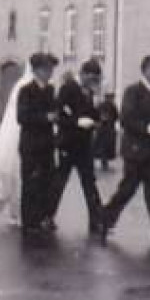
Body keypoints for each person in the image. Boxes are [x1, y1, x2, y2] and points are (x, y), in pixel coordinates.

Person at [98, 56, 150, 246]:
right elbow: (126, 118)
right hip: (135, 152)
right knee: (127, 190)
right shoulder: (133, 91)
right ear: (145, 70)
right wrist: (148, 128)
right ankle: (105, 219)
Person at [46, 59, 106, 236]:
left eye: (96, 79)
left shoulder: (90, 92)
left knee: (89, 182)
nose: (94, 82)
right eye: (92, 78)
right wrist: (76, 122)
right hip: (68, 141)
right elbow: (59, 115)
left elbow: (92, 114)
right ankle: (48, 215)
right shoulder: (68, 88)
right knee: (59, 182)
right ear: (84, 74)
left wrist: (97, 118)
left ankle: (96, 219)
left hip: (84, 144)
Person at [16, 53, 61, 241]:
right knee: (30, 183)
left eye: (51, 69)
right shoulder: (26, 90)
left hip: (47, 144)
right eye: (46, 69)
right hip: (31, 144)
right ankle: (29, 222)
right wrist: (45, 117)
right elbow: (22, 117)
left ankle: (43, 217)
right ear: (36, 70)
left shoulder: (51, 90)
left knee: (47, 182)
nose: (50, 73)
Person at [0, 61, 31, 226]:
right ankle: (17, 212)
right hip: (18, 136)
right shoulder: (23, 86)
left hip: (17, 135)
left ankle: (18, 212)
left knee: (19, 177)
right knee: (18, 177)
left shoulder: (20, 85)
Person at [94, 93, 119, 174]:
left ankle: (103, 162)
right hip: (107, 129)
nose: (112, 99)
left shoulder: (103, 105)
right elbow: (116, 116)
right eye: (111, 98)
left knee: (102, 147)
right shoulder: (111, 106)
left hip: (103, 129)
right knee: (104, 147)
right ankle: (104, 163)